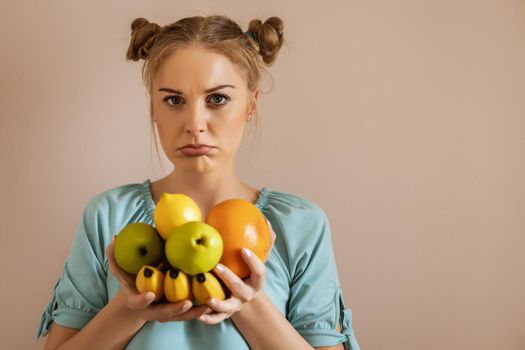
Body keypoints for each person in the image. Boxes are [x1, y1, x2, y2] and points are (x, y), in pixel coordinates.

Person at [36, 14, 360, 350]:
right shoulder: (108, 216)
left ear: (251, 104)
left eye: (217, 99)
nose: (194, 124)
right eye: (174, 100)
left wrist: (248, 304)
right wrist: (130, 309)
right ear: (153, 108)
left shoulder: (301, 225)